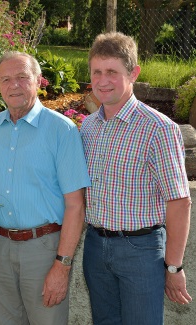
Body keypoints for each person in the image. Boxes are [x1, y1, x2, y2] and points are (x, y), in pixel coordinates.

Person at [0, 51, 91, 325]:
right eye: (6, 79)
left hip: (44, 250)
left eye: (22, 77)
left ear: (38, 81)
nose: (14, 85)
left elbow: (76, 205)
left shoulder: (62, 130)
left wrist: (62, 264)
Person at [81, 32, 192, 325]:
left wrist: (173, 267)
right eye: (97, 72)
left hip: (141, 252)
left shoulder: (158, 129)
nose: (103, 80)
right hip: (94, 245)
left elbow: (179, 202)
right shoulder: (88, 127)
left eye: (112, 72)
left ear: (134, 73)